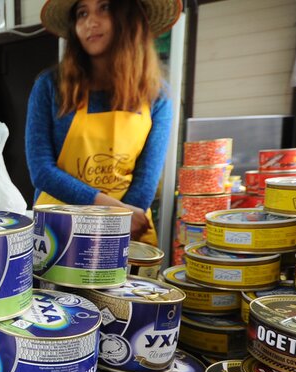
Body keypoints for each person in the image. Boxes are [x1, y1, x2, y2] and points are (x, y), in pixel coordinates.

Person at [26, 0, 181, 244]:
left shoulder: (157, 95)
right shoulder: (50, 86)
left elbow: (146, 179)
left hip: (128, 232)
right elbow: (41, 171)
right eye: (82, 13)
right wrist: (113, 211)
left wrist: (120, 224)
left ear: (130, 17)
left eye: (105, 7)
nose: (91, 22)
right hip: (60, 235)